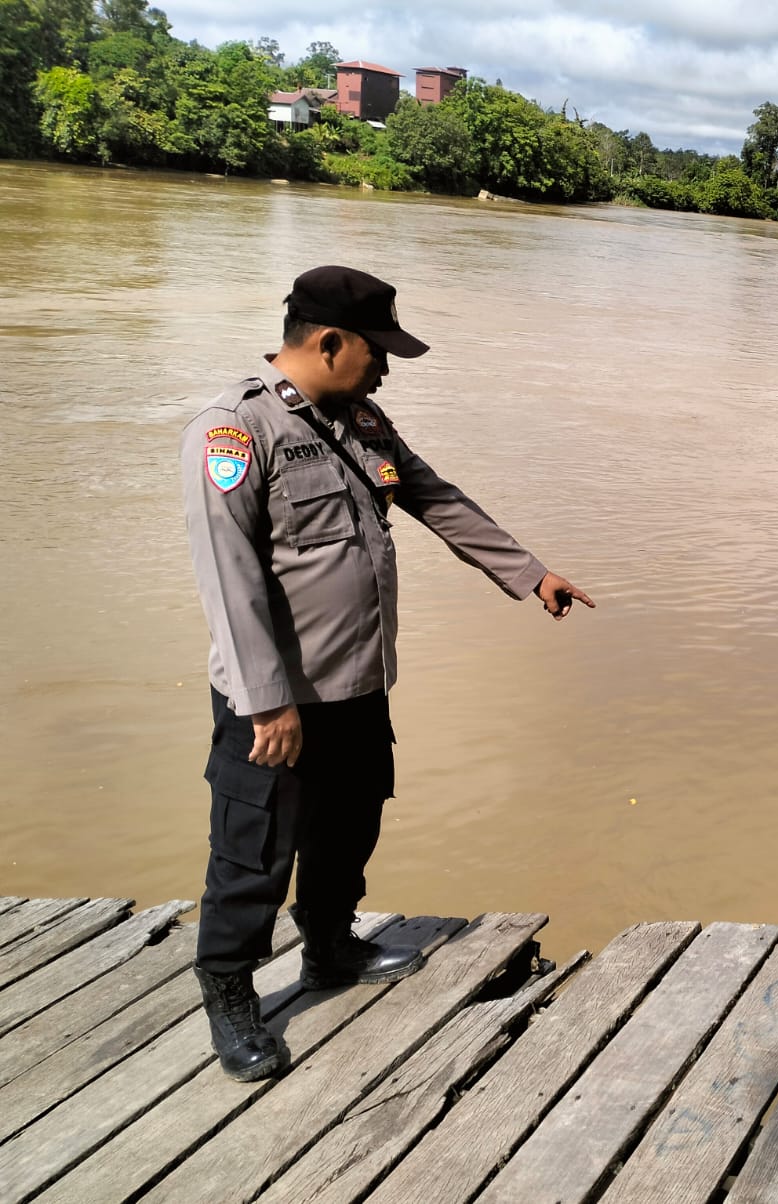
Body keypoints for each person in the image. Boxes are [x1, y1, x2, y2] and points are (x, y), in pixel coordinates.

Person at [180, 265, 593, 1082]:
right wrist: (266, 704)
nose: (387, 367)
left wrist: (528, 572)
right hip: (278, 702)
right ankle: (229, 994)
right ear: (330, 341)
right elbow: (228, 579)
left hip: (358, 685)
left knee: (349, 826)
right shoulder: (234, 432)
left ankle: (329, 948)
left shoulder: (361, 419)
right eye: (379, 351)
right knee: (252, 849)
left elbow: (435, 497)